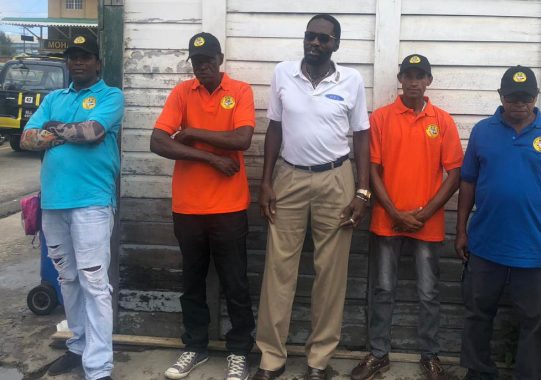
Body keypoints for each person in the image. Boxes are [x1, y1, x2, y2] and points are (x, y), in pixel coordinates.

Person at [252, 14, 370, 380]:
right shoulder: (283, 74)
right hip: (288, 178)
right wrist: (266, 180)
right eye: (310, 36)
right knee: (278, 269)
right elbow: (274, 127)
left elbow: (362, 136)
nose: (314, 43)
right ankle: (271, 358)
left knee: (331, 273)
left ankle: (319, 361)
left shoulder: (351, 80)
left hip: (337, 179)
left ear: (336, 44)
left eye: (323, 38)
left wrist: (363, 191)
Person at [456, 65, 541, 380]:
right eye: (513, 98)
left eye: (526, 98)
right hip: (486, 246)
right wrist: (460, 231)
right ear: (501, 97)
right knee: (477, 315)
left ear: (536, 98)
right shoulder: (482, 132)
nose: (519, 104)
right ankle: (479, 373)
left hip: (537, 250)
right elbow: (468, 184)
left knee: (536, 322)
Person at [349, 54, 464, 380]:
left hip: (428, 223)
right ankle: (378, 354)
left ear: (429, 80)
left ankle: (430, 356)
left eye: (420, 76)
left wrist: (424, 213)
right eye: (408, 75)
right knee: (383, 289)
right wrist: (395, 212)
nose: (414, 81)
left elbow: (454, 173)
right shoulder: (383, 118)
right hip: (387, 220)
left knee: (429, 292)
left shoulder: (441, 121)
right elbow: (372, 169)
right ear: (400, 78)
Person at [150, 32, 256, 380]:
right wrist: (209, 157)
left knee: (235, 283)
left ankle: (239, 350)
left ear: (220, 58)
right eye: (197, 62)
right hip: (188, 208)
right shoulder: (182, 92)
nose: (203, 67)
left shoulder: (239, 91)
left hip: (228, 208)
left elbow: (242, 139)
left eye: (209, 60)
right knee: (192, 283)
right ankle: (194, 347)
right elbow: (158, 142)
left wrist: (192, 131)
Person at [20, 35, 124, 380]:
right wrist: (66, 132)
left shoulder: (110, 96)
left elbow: (93, 131)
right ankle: (78, 346)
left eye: (84, 57)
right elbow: (26, 138)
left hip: (92, 204)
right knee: (68, 278)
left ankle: (99, 366)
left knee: (94, 282)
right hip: (53, 204)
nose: (77, 62)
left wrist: (53, 130)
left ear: (97, 62)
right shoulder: (53, 97)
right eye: (72, 57)